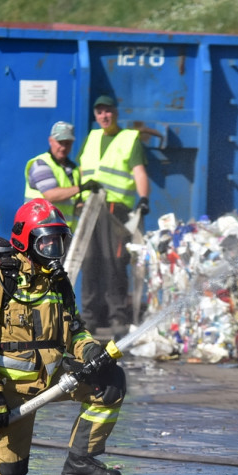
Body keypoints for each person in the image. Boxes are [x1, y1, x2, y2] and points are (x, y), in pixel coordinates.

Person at [0, 198, 128, 475]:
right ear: (26, 242)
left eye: (58, 242)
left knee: (110, 382)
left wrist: (89, 349)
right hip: (9, 389)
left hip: (52, 378)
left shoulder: (58, 283)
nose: (54, 250)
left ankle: (81, 461)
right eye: (46, 242)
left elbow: (74, 329)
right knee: (7, 473)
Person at [77, 95, 150, 338]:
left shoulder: (129, 139)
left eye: (108, 111)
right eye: (99, 112)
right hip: (90, 208)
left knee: (114, 263)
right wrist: (78, 196)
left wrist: (143, 198)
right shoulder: (92, 137)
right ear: (95, 115)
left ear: (116, 113)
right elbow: (81, 170)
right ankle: (89, 318)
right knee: (89, 262)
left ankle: (117, 318)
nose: (104, 116)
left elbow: (139, 171)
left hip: (114, 209)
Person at [24, 121, 90, 231]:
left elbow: (74, 202)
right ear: (51, 141)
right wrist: (81, 188)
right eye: (60, 142)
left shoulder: (73, 169)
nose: (63, 147)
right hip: (40, 229)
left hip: (63, 230)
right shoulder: (41, 164)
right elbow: (51, 195)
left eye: (67, 143)